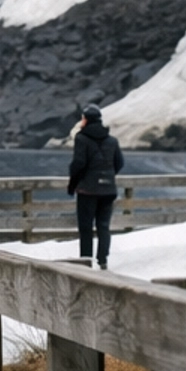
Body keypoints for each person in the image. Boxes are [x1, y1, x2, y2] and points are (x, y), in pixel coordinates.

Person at [68, 102, 123, 267]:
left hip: (87, 190)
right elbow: (119, 162)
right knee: (103, 226)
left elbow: (79, 163)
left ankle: (86, 260)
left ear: (86, 120)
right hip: (108, 190)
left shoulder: (81, 138)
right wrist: (108, 176)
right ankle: (103, 260)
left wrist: (73, 184)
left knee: (86, 227)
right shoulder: (112, 140)